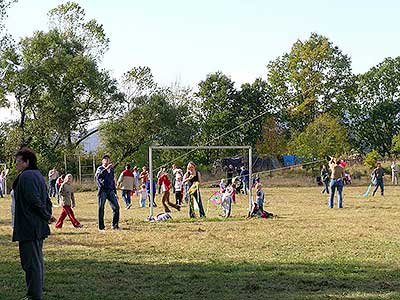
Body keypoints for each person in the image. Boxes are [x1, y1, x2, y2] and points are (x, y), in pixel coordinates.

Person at [12, 147, 56, 300]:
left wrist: (46, 215)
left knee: (31, 264)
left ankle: (34, 296)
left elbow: (34, 200)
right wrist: (47, 215)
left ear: (27, 162)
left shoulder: (26, 176)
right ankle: (34, 294)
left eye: (18, 162)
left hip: (29, 227)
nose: (15, 165)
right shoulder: (38, 175)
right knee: (35, 262)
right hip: (37, 226)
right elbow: (47, 200)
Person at [95, 155, 120, 232]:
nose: (107, 161)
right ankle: (101, 227)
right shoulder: (100, 169)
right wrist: (106, 169)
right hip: (102, 190)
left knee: (116, 207)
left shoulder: (111, 170)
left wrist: (115, 192)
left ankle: (115, 225)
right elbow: (99, 177)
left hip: (110, 190)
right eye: (105, 159)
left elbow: (112, 181)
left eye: (108, 160)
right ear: (102, 161)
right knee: (101, 208)